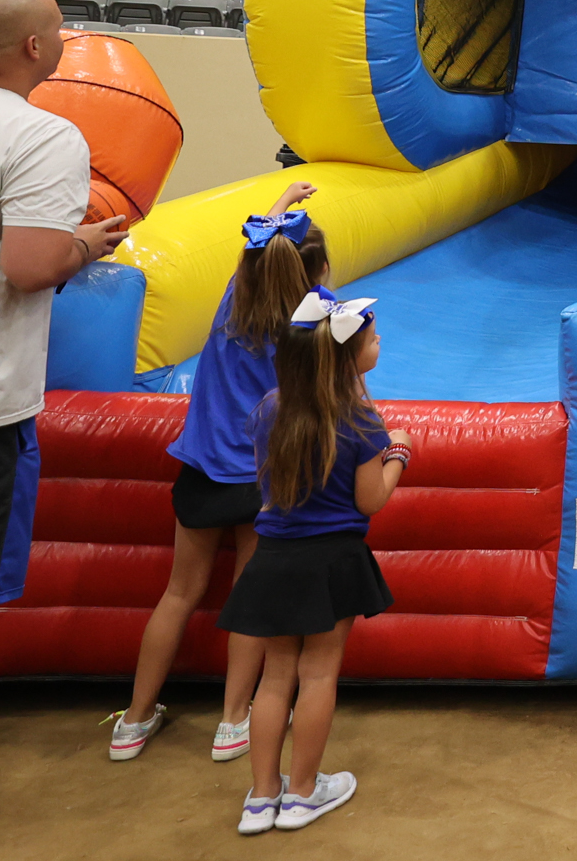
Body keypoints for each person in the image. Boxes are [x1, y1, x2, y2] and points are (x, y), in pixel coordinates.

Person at [0, 0, 125, 817]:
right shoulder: (38, 133)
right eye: (59, 29)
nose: (67, 41)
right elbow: (26, 266)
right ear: (31, 49)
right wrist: (82, 244)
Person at [107, 180, 326, 765]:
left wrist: (282, 202)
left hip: (204, 472)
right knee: (247, 598)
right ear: (316, 276)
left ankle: (132, 721)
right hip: (262, 480)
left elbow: (255, 243)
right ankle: (232, 723)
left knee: (179, 594)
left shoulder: (234, 301)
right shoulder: (307, 329)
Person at [218, 286, 409, 834]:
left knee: (275, 678)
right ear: (348, 358)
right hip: (331, 561)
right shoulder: (360, 423)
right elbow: (370, 500)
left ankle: (261, 798)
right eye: (372, 339)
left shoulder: (270, 410)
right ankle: (302, 793)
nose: (379, 341)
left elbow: (267, 481)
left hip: (274, 558)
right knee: (319, 674)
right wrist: (399, 453)